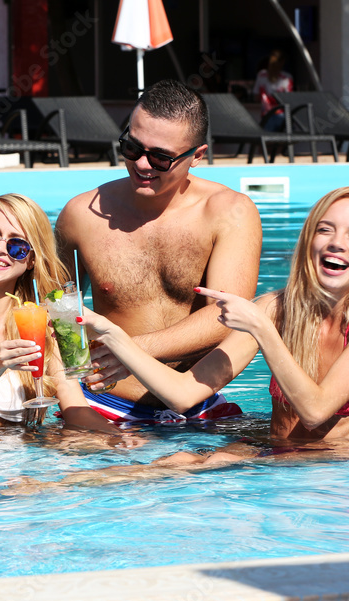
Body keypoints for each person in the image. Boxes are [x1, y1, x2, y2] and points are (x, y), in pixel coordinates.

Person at [8, 187, 349, 491]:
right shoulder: (277, 307)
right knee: (175, 461)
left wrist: (263, 330)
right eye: (325, 230)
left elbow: (317, 410)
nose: (336, 243)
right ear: (309, 241)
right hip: (277, 454)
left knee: (200, 463)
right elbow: (182, 394)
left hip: (336, 469)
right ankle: (51, 488)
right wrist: (115, 336)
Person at [55, 79, 262, 423]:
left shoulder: (229, 212)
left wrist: (128, 349)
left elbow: (226, 316)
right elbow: (54, 311)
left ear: (197, 156)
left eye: (161, 157)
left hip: (198, 405)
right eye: (132, 148)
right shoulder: (81, 216)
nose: (142, 164)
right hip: (103, 404)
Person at [0, 194, 125, 437]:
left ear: (31, 260)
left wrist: (121, 441)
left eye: (17, 246)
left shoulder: (43, 321)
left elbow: (75, 409)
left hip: (29, 456)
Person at [252, 49, 293, 132]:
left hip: (267, 114)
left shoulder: (261, 75)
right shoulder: (287, 78)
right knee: (283, 142)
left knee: (265, 142)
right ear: (283, 62)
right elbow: (290, 100)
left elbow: (256, 97)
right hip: (282, 115)